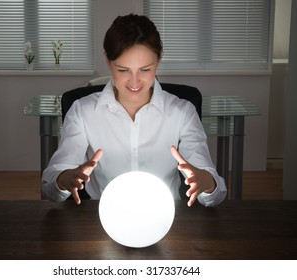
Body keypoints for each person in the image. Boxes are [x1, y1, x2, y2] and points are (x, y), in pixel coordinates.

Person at [42, 14, 227, 207]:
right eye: (123, 70)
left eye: (145, 70)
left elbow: (215, 192)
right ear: (108, 60)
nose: (134, 82)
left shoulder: (182, 112)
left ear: (159, 59)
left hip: (164, 219)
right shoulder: (83, 111)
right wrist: (64, 180)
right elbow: (50, 188)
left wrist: (205, 182)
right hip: (104, 220)